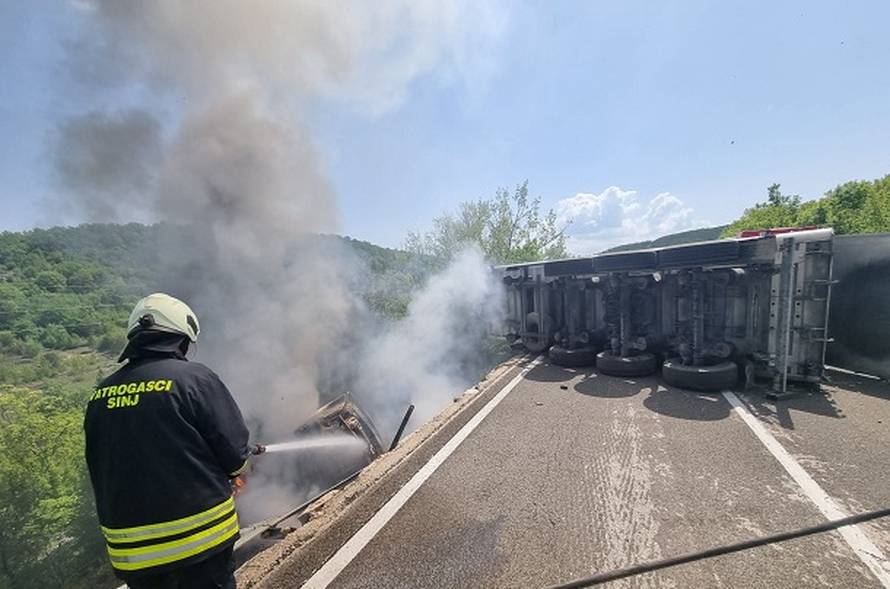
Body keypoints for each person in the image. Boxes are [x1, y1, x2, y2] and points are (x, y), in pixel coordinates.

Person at [84, 293, 253, 589]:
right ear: (181, 337)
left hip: (135, 556)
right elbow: (235, 451)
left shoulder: (100, 395)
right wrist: (237, 472)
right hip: (200, 541)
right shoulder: (193, 379)